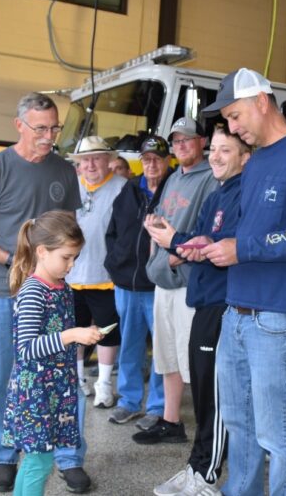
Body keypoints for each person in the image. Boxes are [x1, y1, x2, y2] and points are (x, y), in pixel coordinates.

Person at [200, 68, 286, 495]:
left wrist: (243, 248)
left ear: (262, 101)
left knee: (278, 435)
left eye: (236, 117)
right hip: (236, 313)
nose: (233, 128)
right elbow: (249, 232)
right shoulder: (256, 161)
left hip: (275, 319)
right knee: (240, 426)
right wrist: (212, 242)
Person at [0, 93, 93, 493]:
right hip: (0, 290)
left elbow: (66, 232)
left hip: (52, 292)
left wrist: (56, 269)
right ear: (19, 125)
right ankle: (4, 456)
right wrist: (15, 262)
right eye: (41, 129)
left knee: (62, 376)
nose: (49, 136)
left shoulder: (63, 172)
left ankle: (69, 456)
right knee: (0, 377)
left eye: (54, 128)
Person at [145, 125, 251, 496]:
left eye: (225, 150)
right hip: (203, 298)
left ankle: (206, 475)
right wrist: (185, 245)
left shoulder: (244, 195)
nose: (216, 157)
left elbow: (228, 248)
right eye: (215, 150)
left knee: (214, 396)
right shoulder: (217, 196)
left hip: (223, 303)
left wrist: (175, 241)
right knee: (203, 392)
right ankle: (197, 465)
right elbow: (204, 242)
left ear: (245, 156)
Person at [2, 211, 104, 496]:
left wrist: (84, 334)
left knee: (37, 461)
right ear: (42, 252)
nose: (71, 265)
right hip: (35, 392)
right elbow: (27, 348)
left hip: (53, 389)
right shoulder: (35, 291)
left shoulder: (62, 288)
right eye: (66, 257)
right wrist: (72, 335)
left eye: (75, 257)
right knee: (40, 461)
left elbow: (55, 336)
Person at [134, 117, 219, 444]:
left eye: (188, 139)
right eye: (177, 141)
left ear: (202, 141)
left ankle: (206, 433)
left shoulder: (210, 177)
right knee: (167, 355)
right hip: (163, 281)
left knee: (193, 362)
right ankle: (171, 422)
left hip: (187, 281)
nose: (182, 145)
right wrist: (155, 232)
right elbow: (166, 224)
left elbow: (210, 231)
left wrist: (174, 255)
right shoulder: (172, 180)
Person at [104, 136, 173, 429]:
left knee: (161, 349)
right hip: (127, 284)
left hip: (158, 285)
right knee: (130, 345)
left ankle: (157, 407)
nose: (152, 164)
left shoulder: (175, 188)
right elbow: (113, 232)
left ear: (168, 160)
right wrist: (115, 264)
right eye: (147, 159)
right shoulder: (129, 190)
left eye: (157, 158)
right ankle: (129, 402)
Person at [65, 136, 126, 408]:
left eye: (96, 158)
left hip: (106, 277)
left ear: (108, 161)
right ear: (78, 164)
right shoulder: (71, 188)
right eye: (85, 160)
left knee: (107, 332)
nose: (90, 164)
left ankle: (104, 384)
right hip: (71, 274)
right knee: (75, 331)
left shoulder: (122, 189)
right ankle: (77, 380)